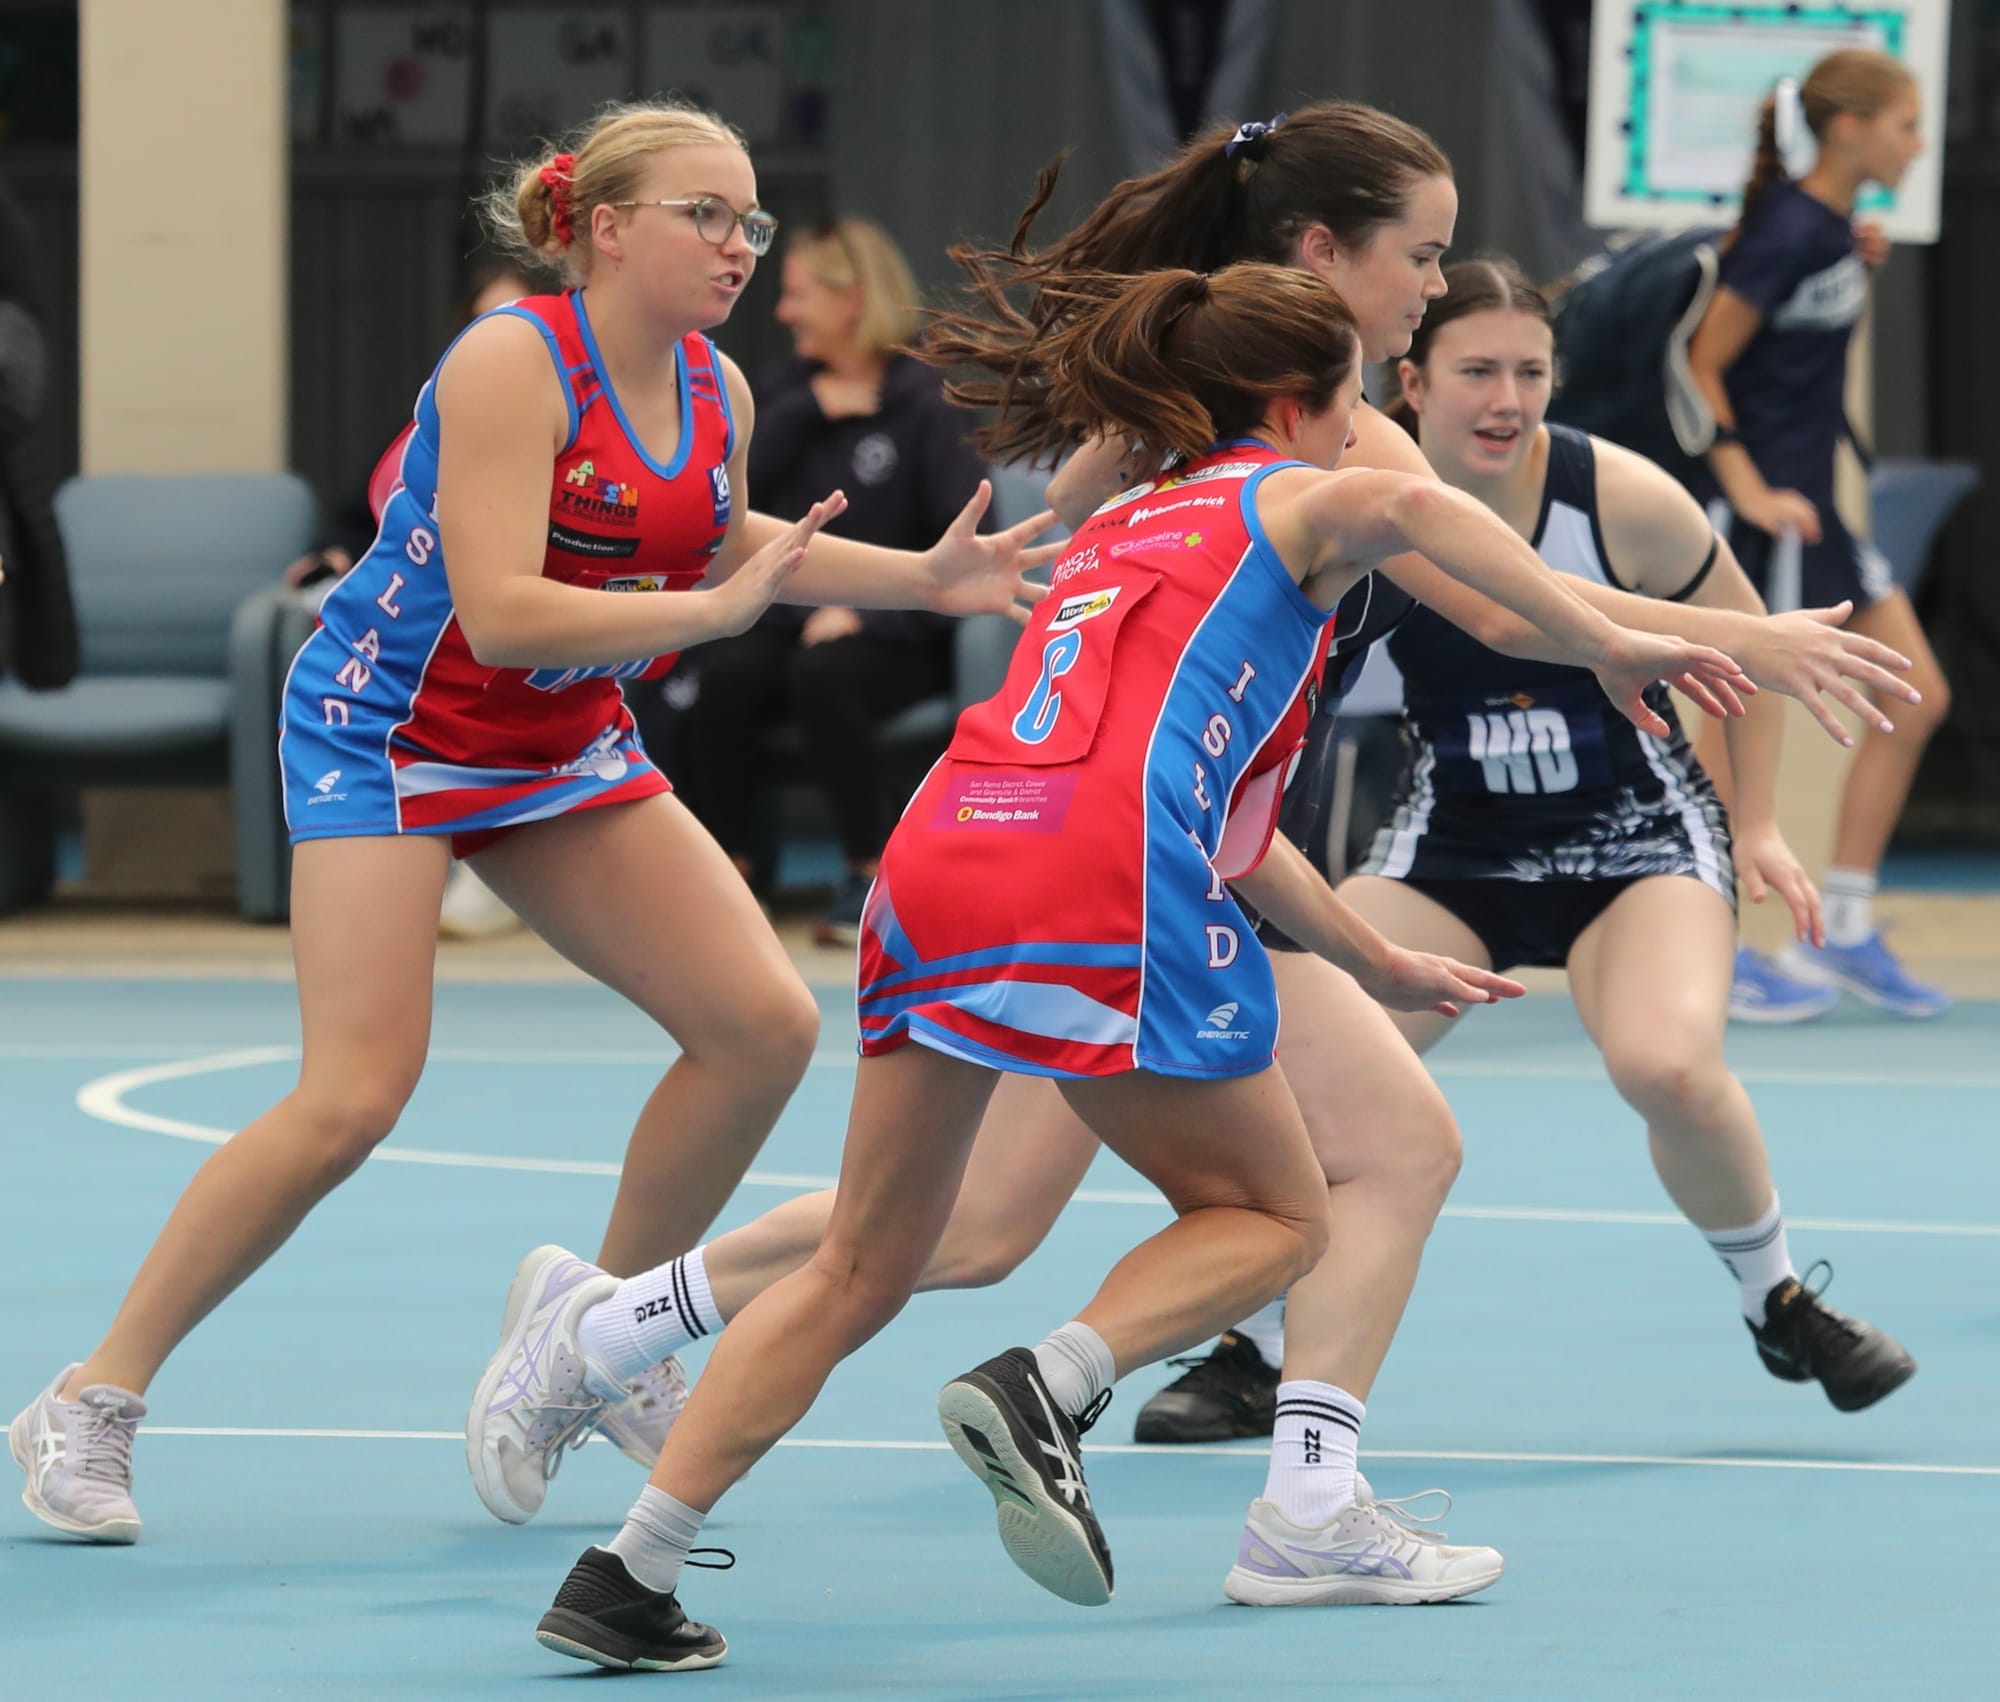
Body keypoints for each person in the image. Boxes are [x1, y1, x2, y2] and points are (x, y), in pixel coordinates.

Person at [464, 104, 1917, 1613]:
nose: (1434, 287)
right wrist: (1678, 638)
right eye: (1420, 257)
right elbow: (1479, 583)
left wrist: (1369, 943)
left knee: (968, 1230)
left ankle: (624, 1407)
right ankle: (1121, 1417)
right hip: (1118, 867)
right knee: (1298, 1190)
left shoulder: (1166, 446)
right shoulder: (1327, 450)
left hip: (992, 841)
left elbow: (1169, 647)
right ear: (1320, 262)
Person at [6, 97, 1050, 1547]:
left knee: (760, 1028)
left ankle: (592, 1336)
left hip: (556, 741)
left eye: (750, 220)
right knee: (352, 1096)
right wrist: (706, 615)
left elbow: (724, 538)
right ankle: (92, 1396)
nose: (739, 245)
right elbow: (498, 611)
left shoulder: (717, 388)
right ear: (604, 227)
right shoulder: (511, 360)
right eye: (706, 214)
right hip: (390, 730)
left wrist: (922, 579)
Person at [1324, 256, 1915, 1401]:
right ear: (1413, 381)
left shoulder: (1620, 497)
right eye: (1476, 371)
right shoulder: (1359, 499)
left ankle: (1778, 1302)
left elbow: (1749, 642)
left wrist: (1756, 825)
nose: (1505, 399)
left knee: (1667, 1066)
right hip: (1452, 843)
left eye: (1530, 371)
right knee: (1311, 1068)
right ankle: (1253, 1342)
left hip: (1634, 839)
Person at [1687, 50, 1950, 1018]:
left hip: (1817, 515)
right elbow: (1701, 360)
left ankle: (1840, 928)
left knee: (1914, 697)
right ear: (1848, 128)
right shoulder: (1790, 231)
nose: (1917, 143)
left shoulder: (1829, 232)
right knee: (1728, 741)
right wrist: (1745, 487)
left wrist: (1850, 258)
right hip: (1767, 520)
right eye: (1905, 124)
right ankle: (1701, 946)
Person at [659, 218, 989, 942]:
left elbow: (961, 548)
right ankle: (733, 877)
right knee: (728, 675)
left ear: (851, 300)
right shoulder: (784, 390)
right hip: (787, 622)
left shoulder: (928, 402)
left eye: (798, 294)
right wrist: (809, 411)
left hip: (899, 635)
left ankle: (869, 876)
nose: (782, 311)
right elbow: (724, 501)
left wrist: (868, 614)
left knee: (826, 672)